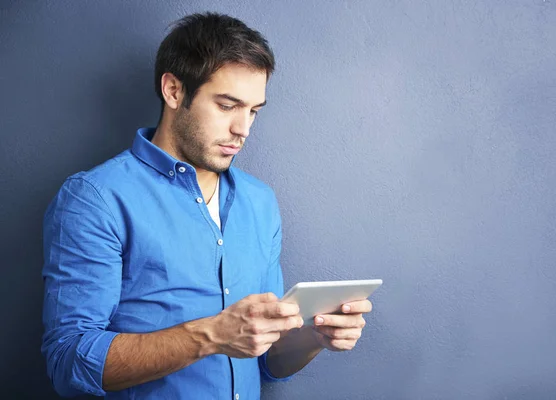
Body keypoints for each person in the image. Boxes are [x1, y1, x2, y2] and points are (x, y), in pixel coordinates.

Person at [42, 12, 373, 399]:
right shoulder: (95, 199)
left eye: (253, 111)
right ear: (174, 90)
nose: (243, 129)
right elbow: (68, 362)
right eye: (227, 105)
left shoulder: (260, 202)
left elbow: (268, 361)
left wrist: (313, 336)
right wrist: (211, 335)